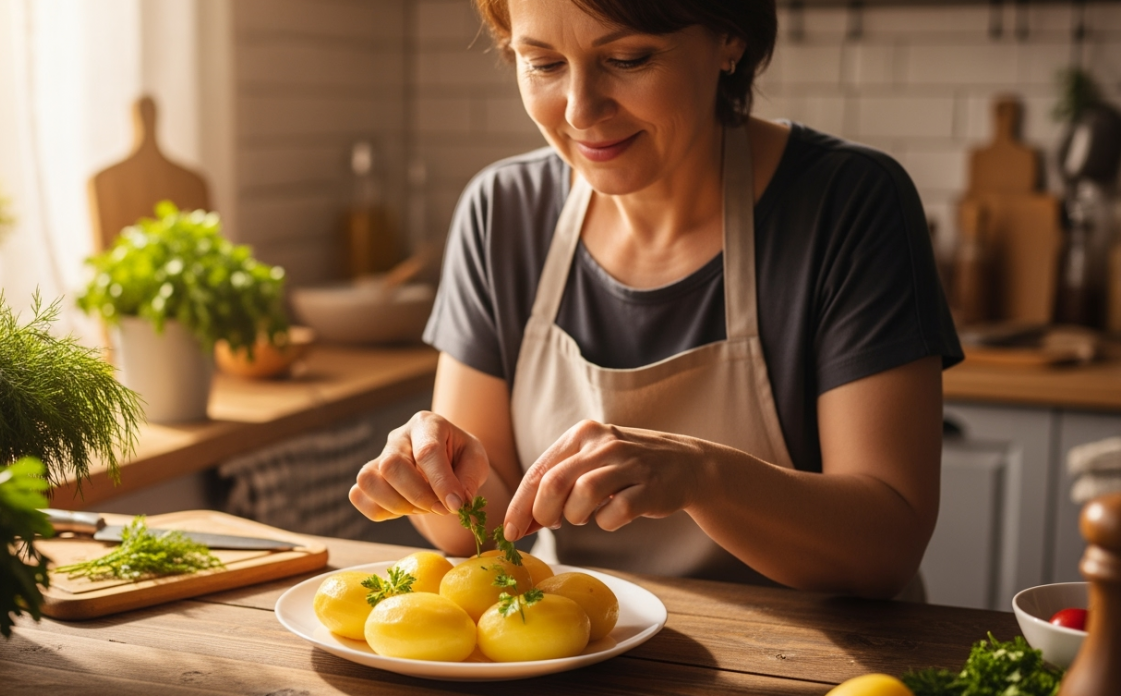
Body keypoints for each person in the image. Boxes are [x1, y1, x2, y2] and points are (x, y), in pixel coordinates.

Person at [349, 0, 962, 600]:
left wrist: (704, 477)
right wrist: (433, 475)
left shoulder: (851, 205)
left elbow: (887, 545)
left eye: (628, 58)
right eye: (543, 64)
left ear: (728, 38)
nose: (581, 111)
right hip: (598, 652)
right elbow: (479, 533)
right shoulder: (501, 212)